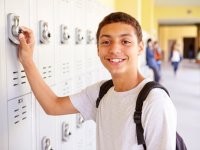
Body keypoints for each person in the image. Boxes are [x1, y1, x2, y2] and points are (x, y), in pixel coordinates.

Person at [18, 12, 177, 150]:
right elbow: (53, 105)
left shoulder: (155, 102)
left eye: (125, 41)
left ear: (140, 47)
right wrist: (27, 60)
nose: (114, 49)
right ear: (98, 49)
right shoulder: (101, 91)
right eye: (106, 42)